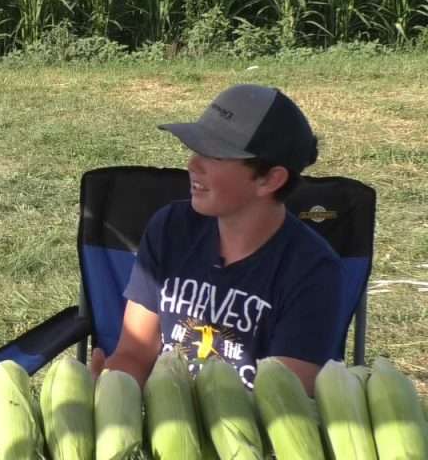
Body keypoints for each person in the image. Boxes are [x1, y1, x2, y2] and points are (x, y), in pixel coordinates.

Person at [91, 84, 343, 396]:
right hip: (165, 421)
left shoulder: (312, 270)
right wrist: (111, 389)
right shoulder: (170, 229)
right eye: (197, 150)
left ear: (269, 179)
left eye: (214, 154)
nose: (193, 164)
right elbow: (135, 354)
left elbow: (284, 400)